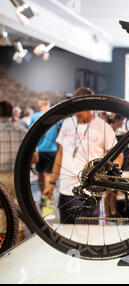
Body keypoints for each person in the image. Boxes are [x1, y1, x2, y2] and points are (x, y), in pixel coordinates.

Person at [42, 87, 119, 224]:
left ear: (91, 107)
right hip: (65, 190)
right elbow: (60, 154)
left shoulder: (103, 127)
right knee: (66, 235)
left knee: (86, 237)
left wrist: (107, 180)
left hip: (89, 192)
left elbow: (117, 156)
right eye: (75, 108)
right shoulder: (67, 123)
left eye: (81, 108)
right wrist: (51, 183)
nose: (77, 113)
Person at [29, 96, 61, 216]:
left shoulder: (34, 116)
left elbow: (31, 133)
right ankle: (47, 206)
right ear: (48, 104)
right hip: (53, 150)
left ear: (39, 104)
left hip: (39, 150)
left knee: (41, 176)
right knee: (48, 177)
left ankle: (45, 203)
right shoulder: (55, 115)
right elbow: (60, 131)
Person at [0, 100, 27, 242]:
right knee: (18, 215)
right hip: (17, 177)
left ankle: (3, 252)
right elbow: (34, 159)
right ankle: (17, 249)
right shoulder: (22, 131)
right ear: (12, 113)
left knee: (1, 214)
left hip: (0, 179)